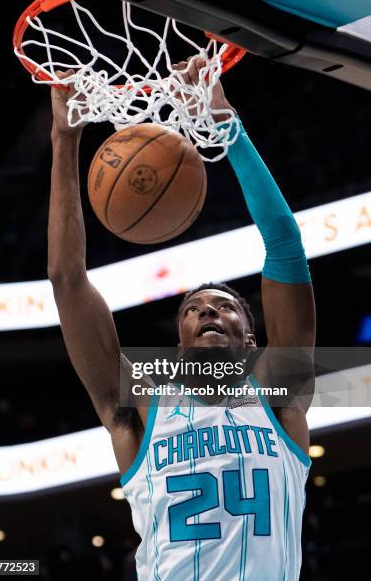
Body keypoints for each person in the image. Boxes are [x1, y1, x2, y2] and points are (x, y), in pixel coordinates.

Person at [48, 59, 315, 580]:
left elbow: (284, 242)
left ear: (254, 339)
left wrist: (226, 123)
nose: (208, 311)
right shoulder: (139, 410)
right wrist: (64, 139)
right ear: (177, 349)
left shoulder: (280, 399)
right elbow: (66, 279)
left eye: (225, 307)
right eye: (192, 310)